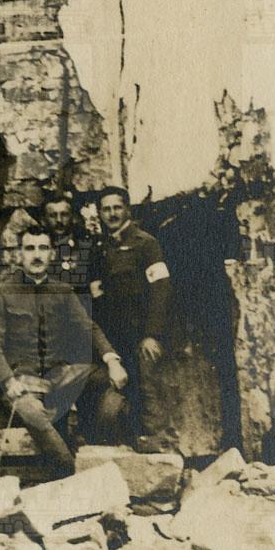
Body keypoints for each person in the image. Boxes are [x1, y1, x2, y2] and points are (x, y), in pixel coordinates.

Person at [0, 226, 128, 476]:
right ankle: (72, 471)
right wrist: (7, 381)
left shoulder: (63, 291)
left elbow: (88, 327)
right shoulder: (2, 293)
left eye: (43, 248)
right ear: (19, 255)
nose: (36, 255)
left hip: (58, 377)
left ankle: (96, 443)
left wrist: (112, 360)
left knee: (109, 380)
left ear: (51, 254)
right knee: (32, 411)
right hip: (21, 381)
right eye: (30, 248)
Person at [89, 186, 172, 443]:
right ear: (100, 213)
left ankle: (157, 445)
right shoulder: (100, 248)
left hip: (142, 334)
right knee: (121, 391)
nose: (112, 214)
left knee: (148, 388)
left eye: (117, 207)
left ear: (127, 209)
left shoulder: (146, 243)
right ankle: (131, 445)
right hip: (116, 336)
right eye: (106, 209)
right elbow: (97, 295)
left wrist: (152, 335)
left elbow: (160, 289)